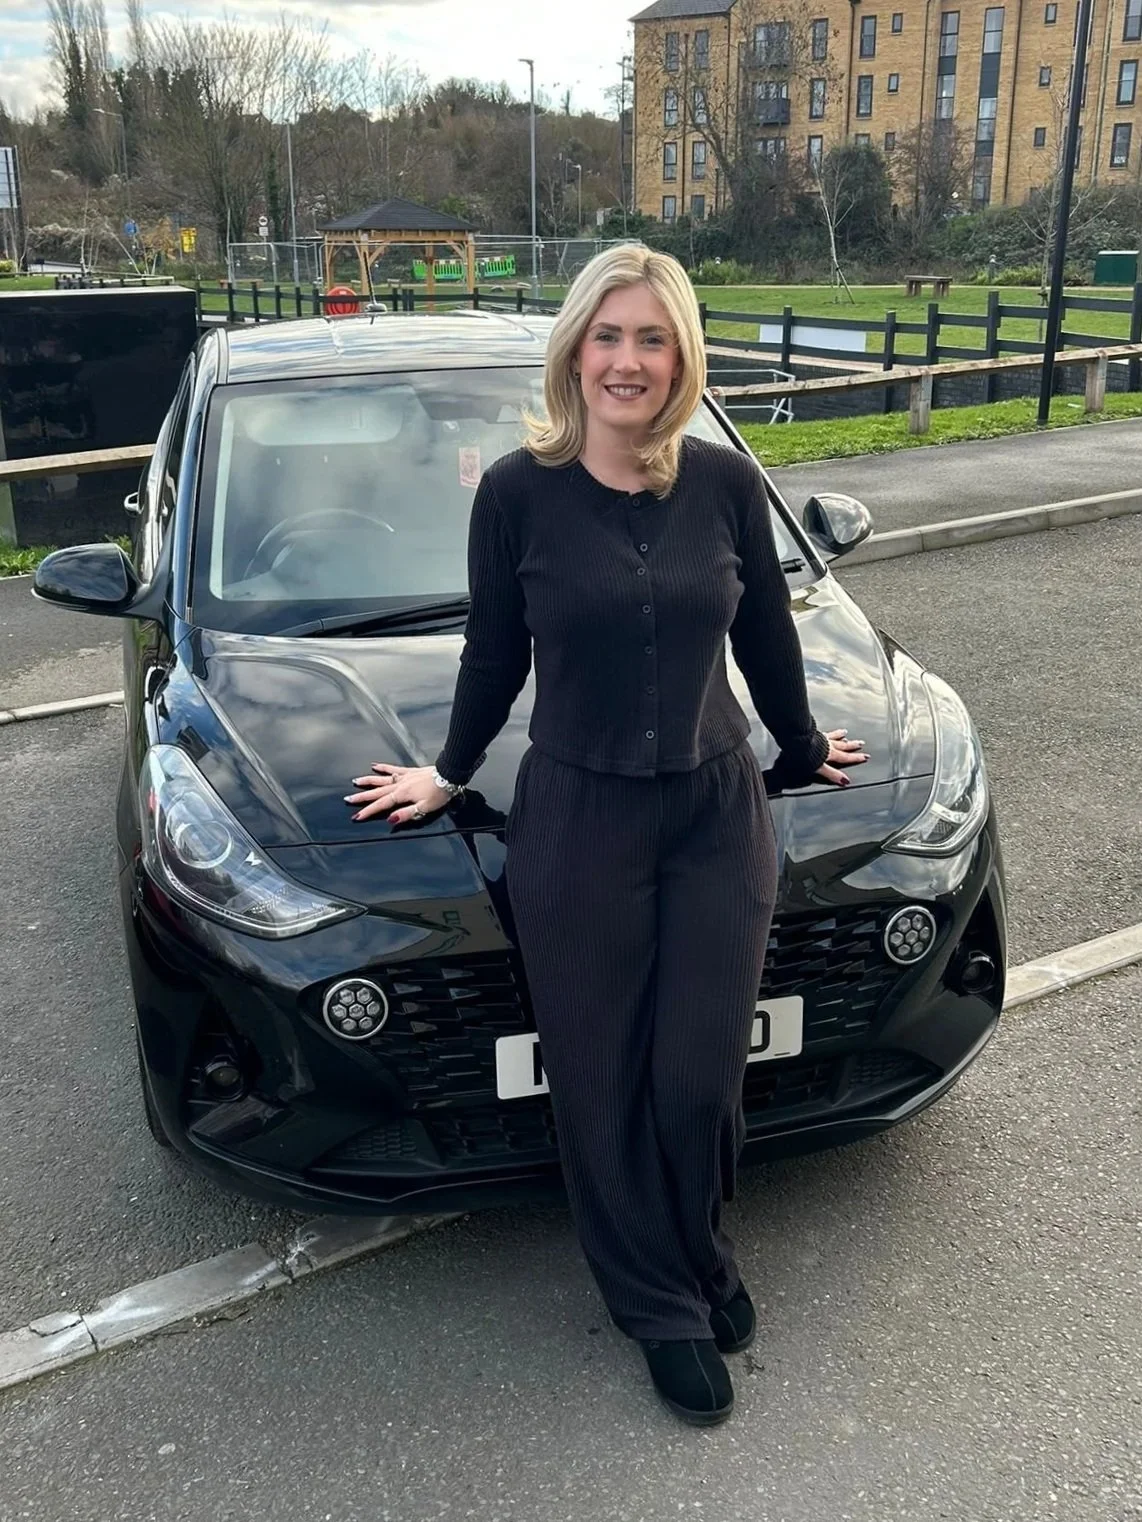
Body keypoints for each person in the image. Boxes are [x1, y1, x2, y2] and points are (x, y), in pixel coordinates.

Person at [345, 243, 869, 1426]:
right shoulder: (517, 494)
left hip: (712, 809)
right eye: (606, 335)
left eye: (651, 337)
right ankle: (664, 1302)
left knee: (693, 1074)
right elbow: (493, 652)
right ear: (573, 349)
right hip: (577, 820)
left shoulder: (727, 484)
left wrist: (796, 744)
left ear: (679, 353)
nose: (627, 360)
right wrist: (444, 771)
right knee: (597, 1080)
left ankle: (695, 1252)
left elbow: (766, 637)